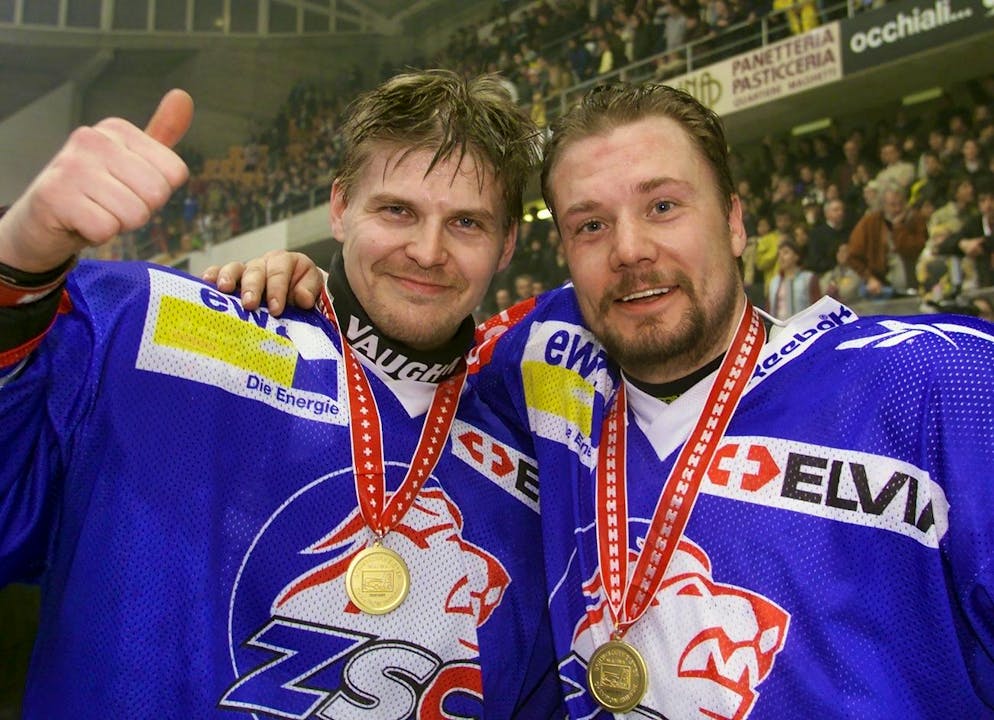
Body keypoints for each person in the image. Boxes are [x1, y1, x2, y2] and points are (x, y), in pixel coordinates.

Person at [241, 81, 994, 718]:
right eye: (591, 224)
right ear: (560, 251)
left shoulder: (938, 384)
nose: (629, 248)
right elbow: (408, 358)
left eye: (663, 207)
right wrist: (313, 295)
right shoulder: (541, 356)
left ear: (734, 220)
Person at [0, 72, 563, 717]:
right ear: (340, 207)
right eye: (397, 210)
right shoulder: (153, 328)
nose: (427, 251)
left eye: (466, 222)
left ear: (507, 244)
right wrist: (19, 261)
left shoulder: (534, 461)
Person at [847, 184, 927, 298]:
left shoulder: (915, 219)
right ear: (883, 205)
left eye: (901, 204)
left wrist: (898, 228)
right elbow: (853, 254)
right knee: (848, 289)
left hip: (906, 264)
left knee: (901, 278)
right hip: (873, 272)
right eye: (893, 205)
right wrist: (869, 278)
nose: (898, 209)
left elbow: (914, 249)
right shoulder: (869, 222)